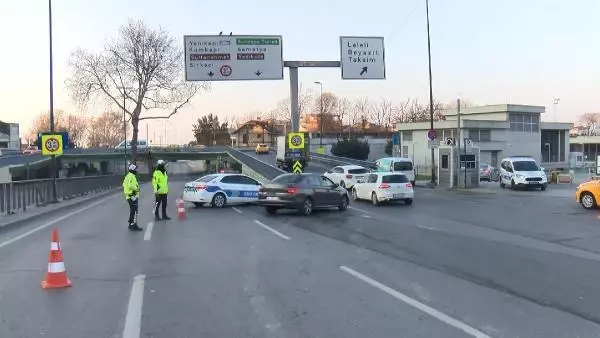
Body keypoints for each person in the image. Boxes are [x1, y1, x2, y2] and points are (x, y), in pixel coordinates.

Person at [123, 163, 143, 231]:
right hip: (132, 196)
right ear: (133, 170)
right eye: (135, 169)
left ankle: (130, 224)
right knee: (134, 211)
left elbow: (124, 184)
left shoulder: (128, 176)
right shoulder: (131, 176)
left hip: (129, 196)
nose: (136, 170)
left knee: (133, 210)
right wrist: (137, 189)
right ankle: (133, 226)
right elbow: (130, 186)